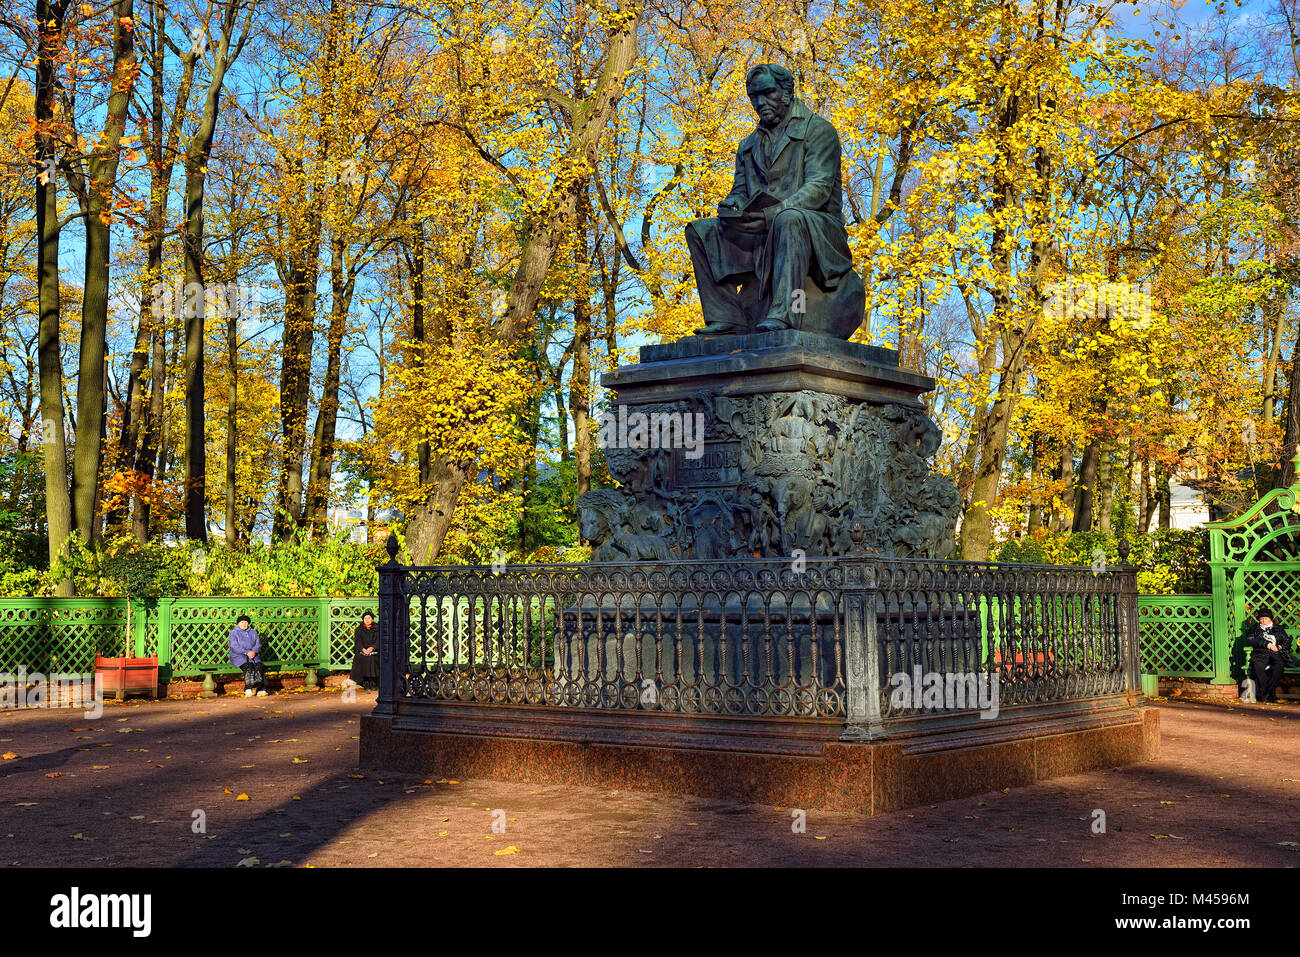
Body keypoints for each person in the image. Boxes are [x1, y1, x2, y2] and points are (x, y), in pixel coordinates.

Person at [1244, 607, 1295, 703]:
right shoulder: (1255, 629)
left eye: (1266, 618)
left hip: (1276, 654)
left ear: (1270, 619)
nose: (1263, 621)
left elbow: (1287, 641)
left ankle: (1266, 694)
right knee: (1258, 667)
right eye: (1261, 618)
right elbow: (1250, 639)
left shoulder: (1278, 628)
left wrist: (1279, 647)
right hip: (1260, 654)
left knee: (1278, 667)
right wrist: (1267, 644)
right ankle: (1270, 694)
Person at [228, 614, 267, 698]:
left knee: (259, 666)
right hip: (239, 656)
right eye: (242, 622)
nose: (244, 624)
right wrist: (246, 652)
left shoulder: (253, 632)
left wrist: (253, 651)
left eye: (246, 622)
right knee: (248, 667)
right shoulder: (233, 633)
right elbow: (234, 646)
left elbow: (258, 644)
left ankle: (261, 689)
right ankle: (248, 688)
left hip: (253, 656)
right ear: (238, 623)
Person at [350, 611, 380, 691]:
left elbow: (378, 641)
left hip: (374, 651)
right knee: (362, 657)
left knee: (372, 658)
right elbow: (357, 642)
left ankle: (373, 681)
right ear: (363, 619)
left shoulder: (377, 629)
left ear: (372, 619)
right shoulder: (359, 629)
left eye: (369, 618)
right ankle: (365, 681)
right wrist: (363, 649)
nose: (367, 620)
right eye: (365, 618)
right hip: (362, 651)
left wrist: (372, 648)